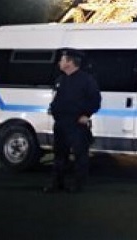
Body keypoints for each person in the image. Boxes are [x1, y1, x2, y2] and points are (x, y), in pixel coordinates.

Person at [43, 48, 101, 194]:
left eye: (62, 60)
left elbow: (95, 100)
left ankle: (78, 185)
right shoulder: (61, 79)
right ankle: (57, 183)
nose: (59, 62)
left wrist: (86, 114)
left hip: (76, 124)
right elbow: (58, 98)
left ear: (70, 62)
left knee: (80, 156)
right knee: (59, 155)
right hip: (61, 123)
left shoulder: (87, 80)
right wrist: (53, 108)